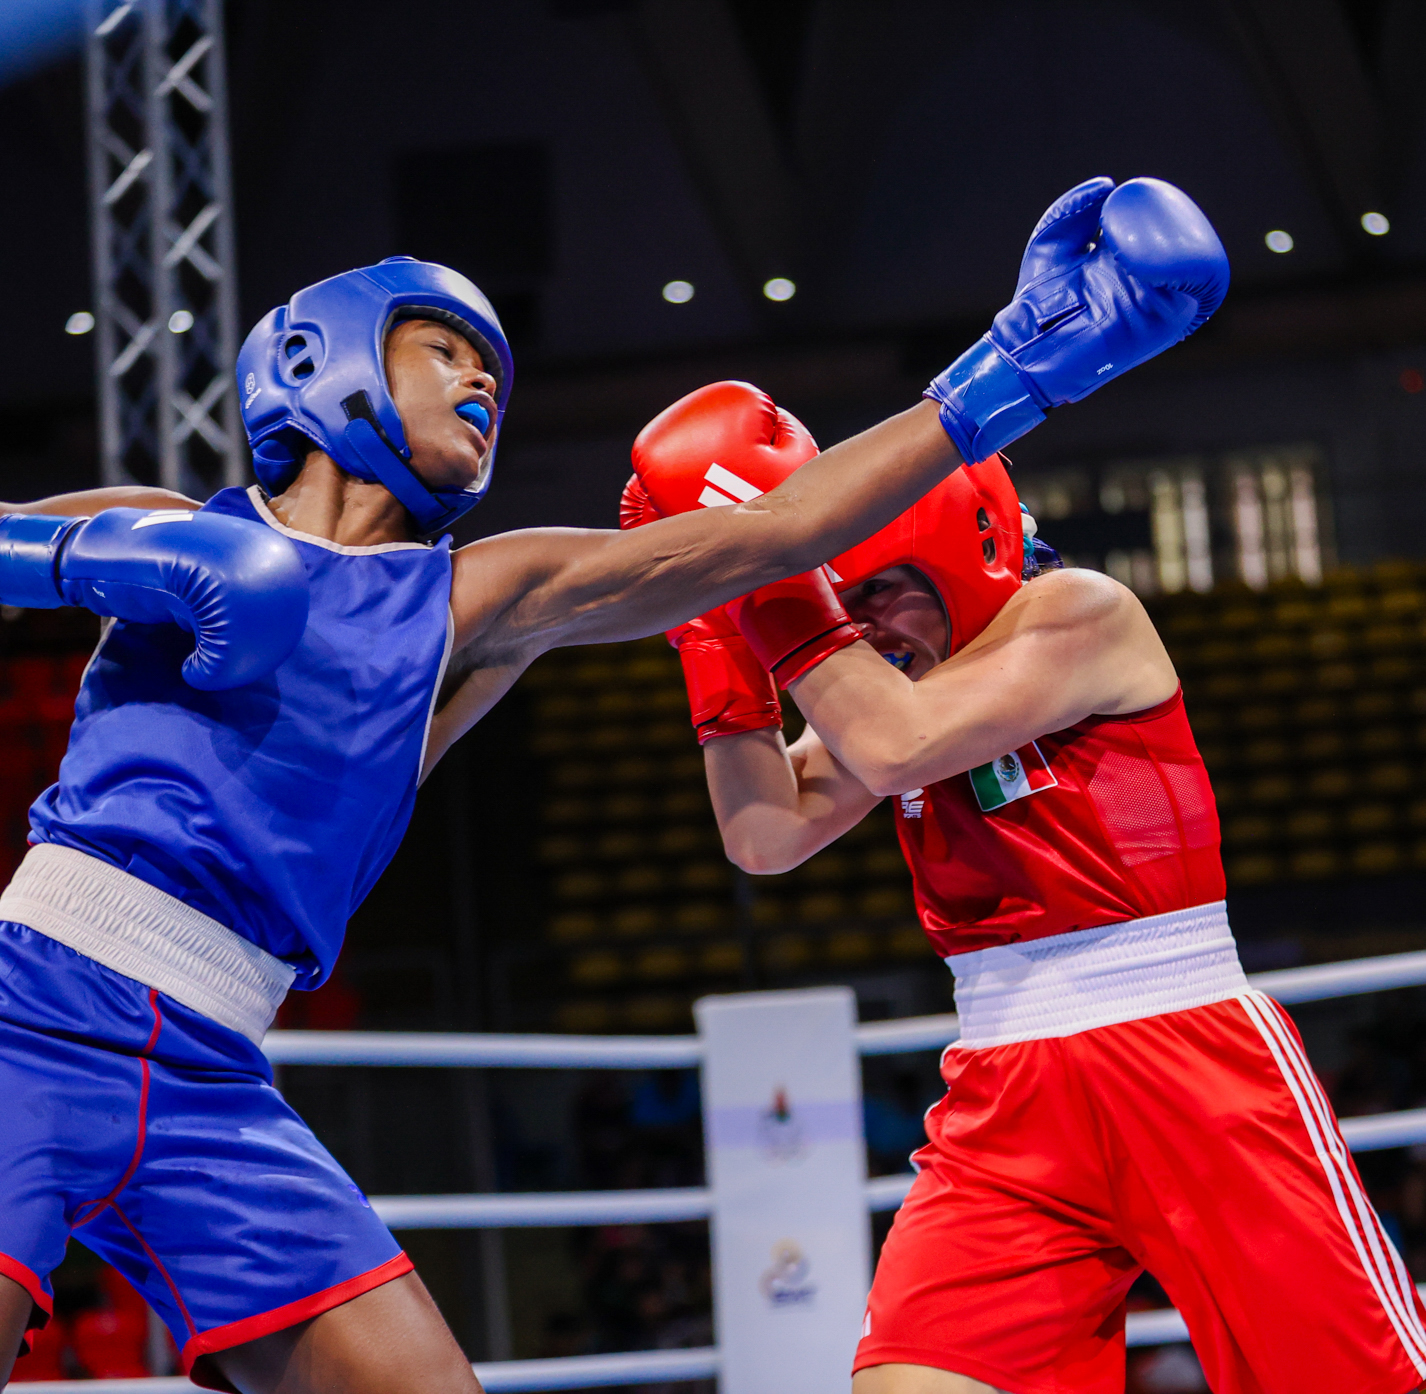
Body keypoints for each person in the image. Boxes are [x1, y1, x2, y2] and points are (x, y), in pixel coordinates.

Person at [0, 172, 1222, 1394]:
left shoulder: (476, 595)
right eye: (446, 350)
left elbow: (772, 534)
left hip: (216, 1067)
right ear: (321, 358)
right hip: (28, 1014)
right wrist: (79, 552)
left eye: (495, 371)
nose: (484, 383)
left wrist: (1021, 368)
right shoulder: (162, 518)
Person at [640, 303, 1426, 1391]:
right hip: (1007, 1088)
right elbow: (765, 834)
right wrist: (711, 641)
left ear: (965, 548)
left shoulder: (1076, 615)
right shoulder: (891, 684)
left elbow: (894, 745)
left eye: (879, 593)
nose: (864, 628)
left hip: (1186, 1056)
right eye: (843, 599)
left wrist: (766, 574)